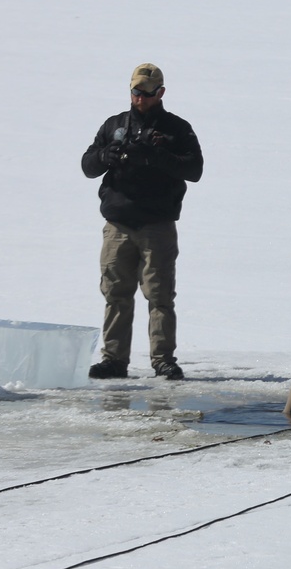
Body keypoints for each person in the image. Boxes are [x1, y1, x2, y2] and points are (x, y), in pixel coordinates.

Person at [81, 63, 203, 380]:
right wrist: (105, 156)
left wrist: (156, 155)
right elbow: (87, 165)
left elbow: (194, 170)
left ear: (160, 92)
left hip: (156, 226)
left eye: (147, 93)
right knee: (115, 294)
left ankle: (162, 359)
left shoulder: (176, 129)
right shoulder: (114, 125)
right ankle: (113, 359)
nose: (140, 98)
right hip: (118, 225)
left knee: (160, 296)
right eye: (136, 92)